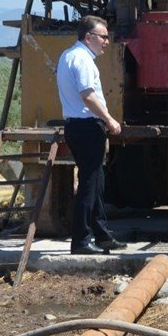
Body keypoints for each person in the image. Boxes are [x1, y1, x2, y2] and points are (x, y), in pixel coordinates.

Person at [57, 15, 127, 255]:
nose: (107, 42)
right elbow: (88, 95)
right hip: (87, 126)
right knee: (89, 184)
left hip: (77, 126)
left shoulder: (68, 56)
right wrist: (109, 120)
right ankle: (81, 241)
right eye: (103, 37)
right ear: (89, 37)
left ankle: (101, 235)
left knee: (96, 181)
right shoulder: (83, 60)